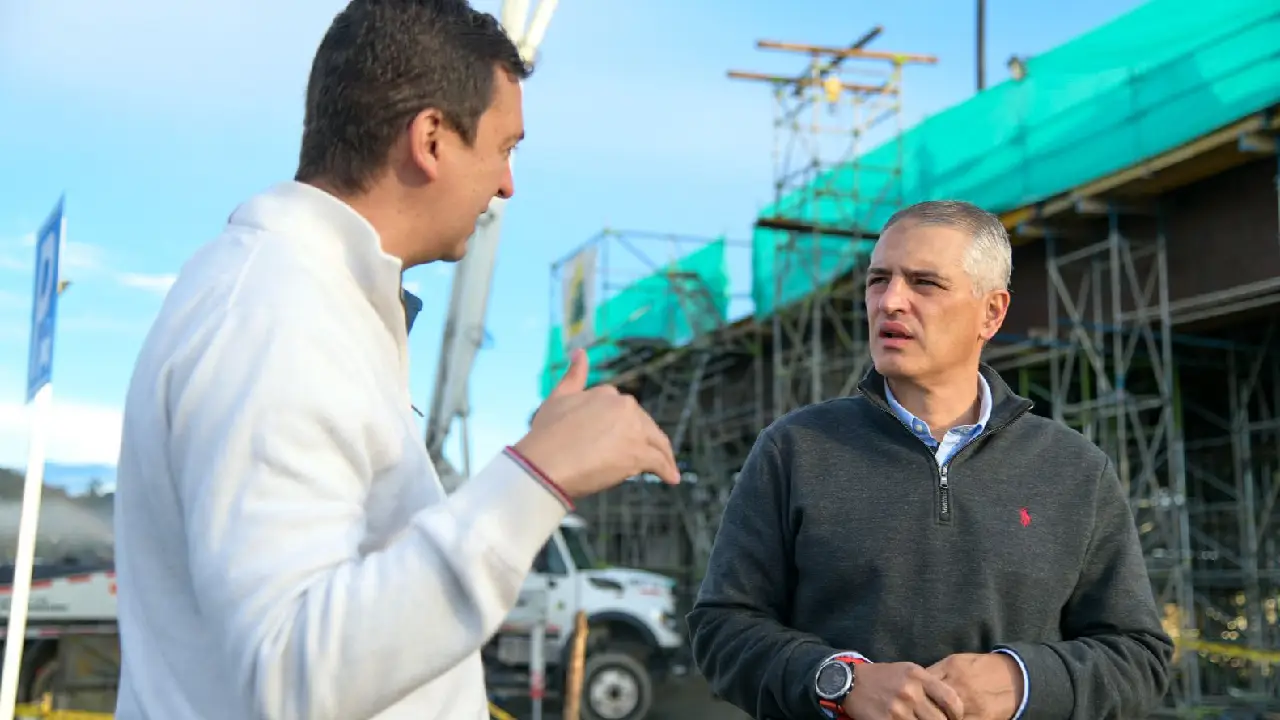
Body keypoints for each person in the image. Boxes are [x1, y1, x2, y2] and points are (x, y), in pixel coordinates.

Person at [111, 1, 679, 718]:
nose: (508, 186)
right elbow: (290, 670)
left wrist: (534, 460)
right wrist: (540, 475)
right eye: (506, 148)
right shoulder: (276, 315)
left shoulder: (303, 301)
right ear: (432, 139)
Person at [687, 200, 1173, 720]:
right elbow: (722, 628)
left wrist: (1021, 680)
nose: (890, 301)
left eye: (924, 283)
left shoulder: (1075, 469)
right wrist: (840, 681)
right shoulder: (794, 449)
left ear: (992, 312)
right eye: (879, 280)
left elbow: (1139, 656)